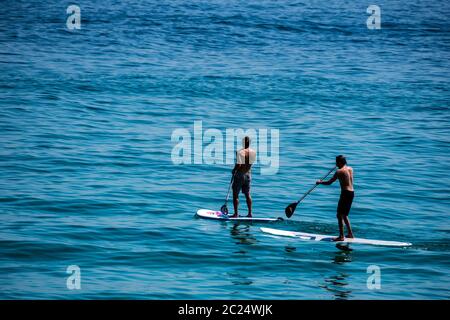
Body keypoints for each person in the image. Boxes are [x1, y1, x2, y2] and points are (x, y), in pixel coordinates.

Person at [316, 155, 354, 241]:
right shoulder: (350, 169)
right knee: (345, 215)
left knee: (339, 215)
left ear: (340, 162)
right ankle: (350, 234)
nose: (336, 164)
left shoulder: (339, 171)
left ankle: (341, 236)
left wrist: (320, 182)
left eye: (336, 162)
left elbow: (329, 182)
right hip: (352, 193)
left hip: (345, 193)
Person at [231, 136, 256, 218]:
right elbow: (250, 163)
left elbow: (239, 164)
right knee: (247, 194)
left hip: (239, 175)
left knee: (235, 195)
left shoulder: (240, 152)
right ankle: (250, 213)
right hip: (248, 175)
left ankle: (236, 214)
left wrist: (234, 170)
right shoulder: (253, 152)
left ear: (243, 143)